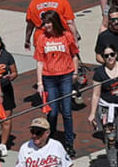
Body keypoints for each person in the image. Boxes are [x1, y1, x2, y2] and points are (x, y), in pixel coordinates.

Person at [33, 10, 82, 148]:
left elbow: (74, 55)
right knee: (53, 111)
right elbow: (40, 62)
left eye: (49, 22)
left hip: (66, 76)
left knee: (66, 111)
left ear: (55, 22)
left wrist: (75, 73)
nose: (46, 26)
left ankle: (69, 142)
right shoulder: (42, 38)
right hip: (49, 79)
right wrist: (39, 83)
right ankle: (51, 137)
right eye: (45, 23)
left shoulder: (66, 36)